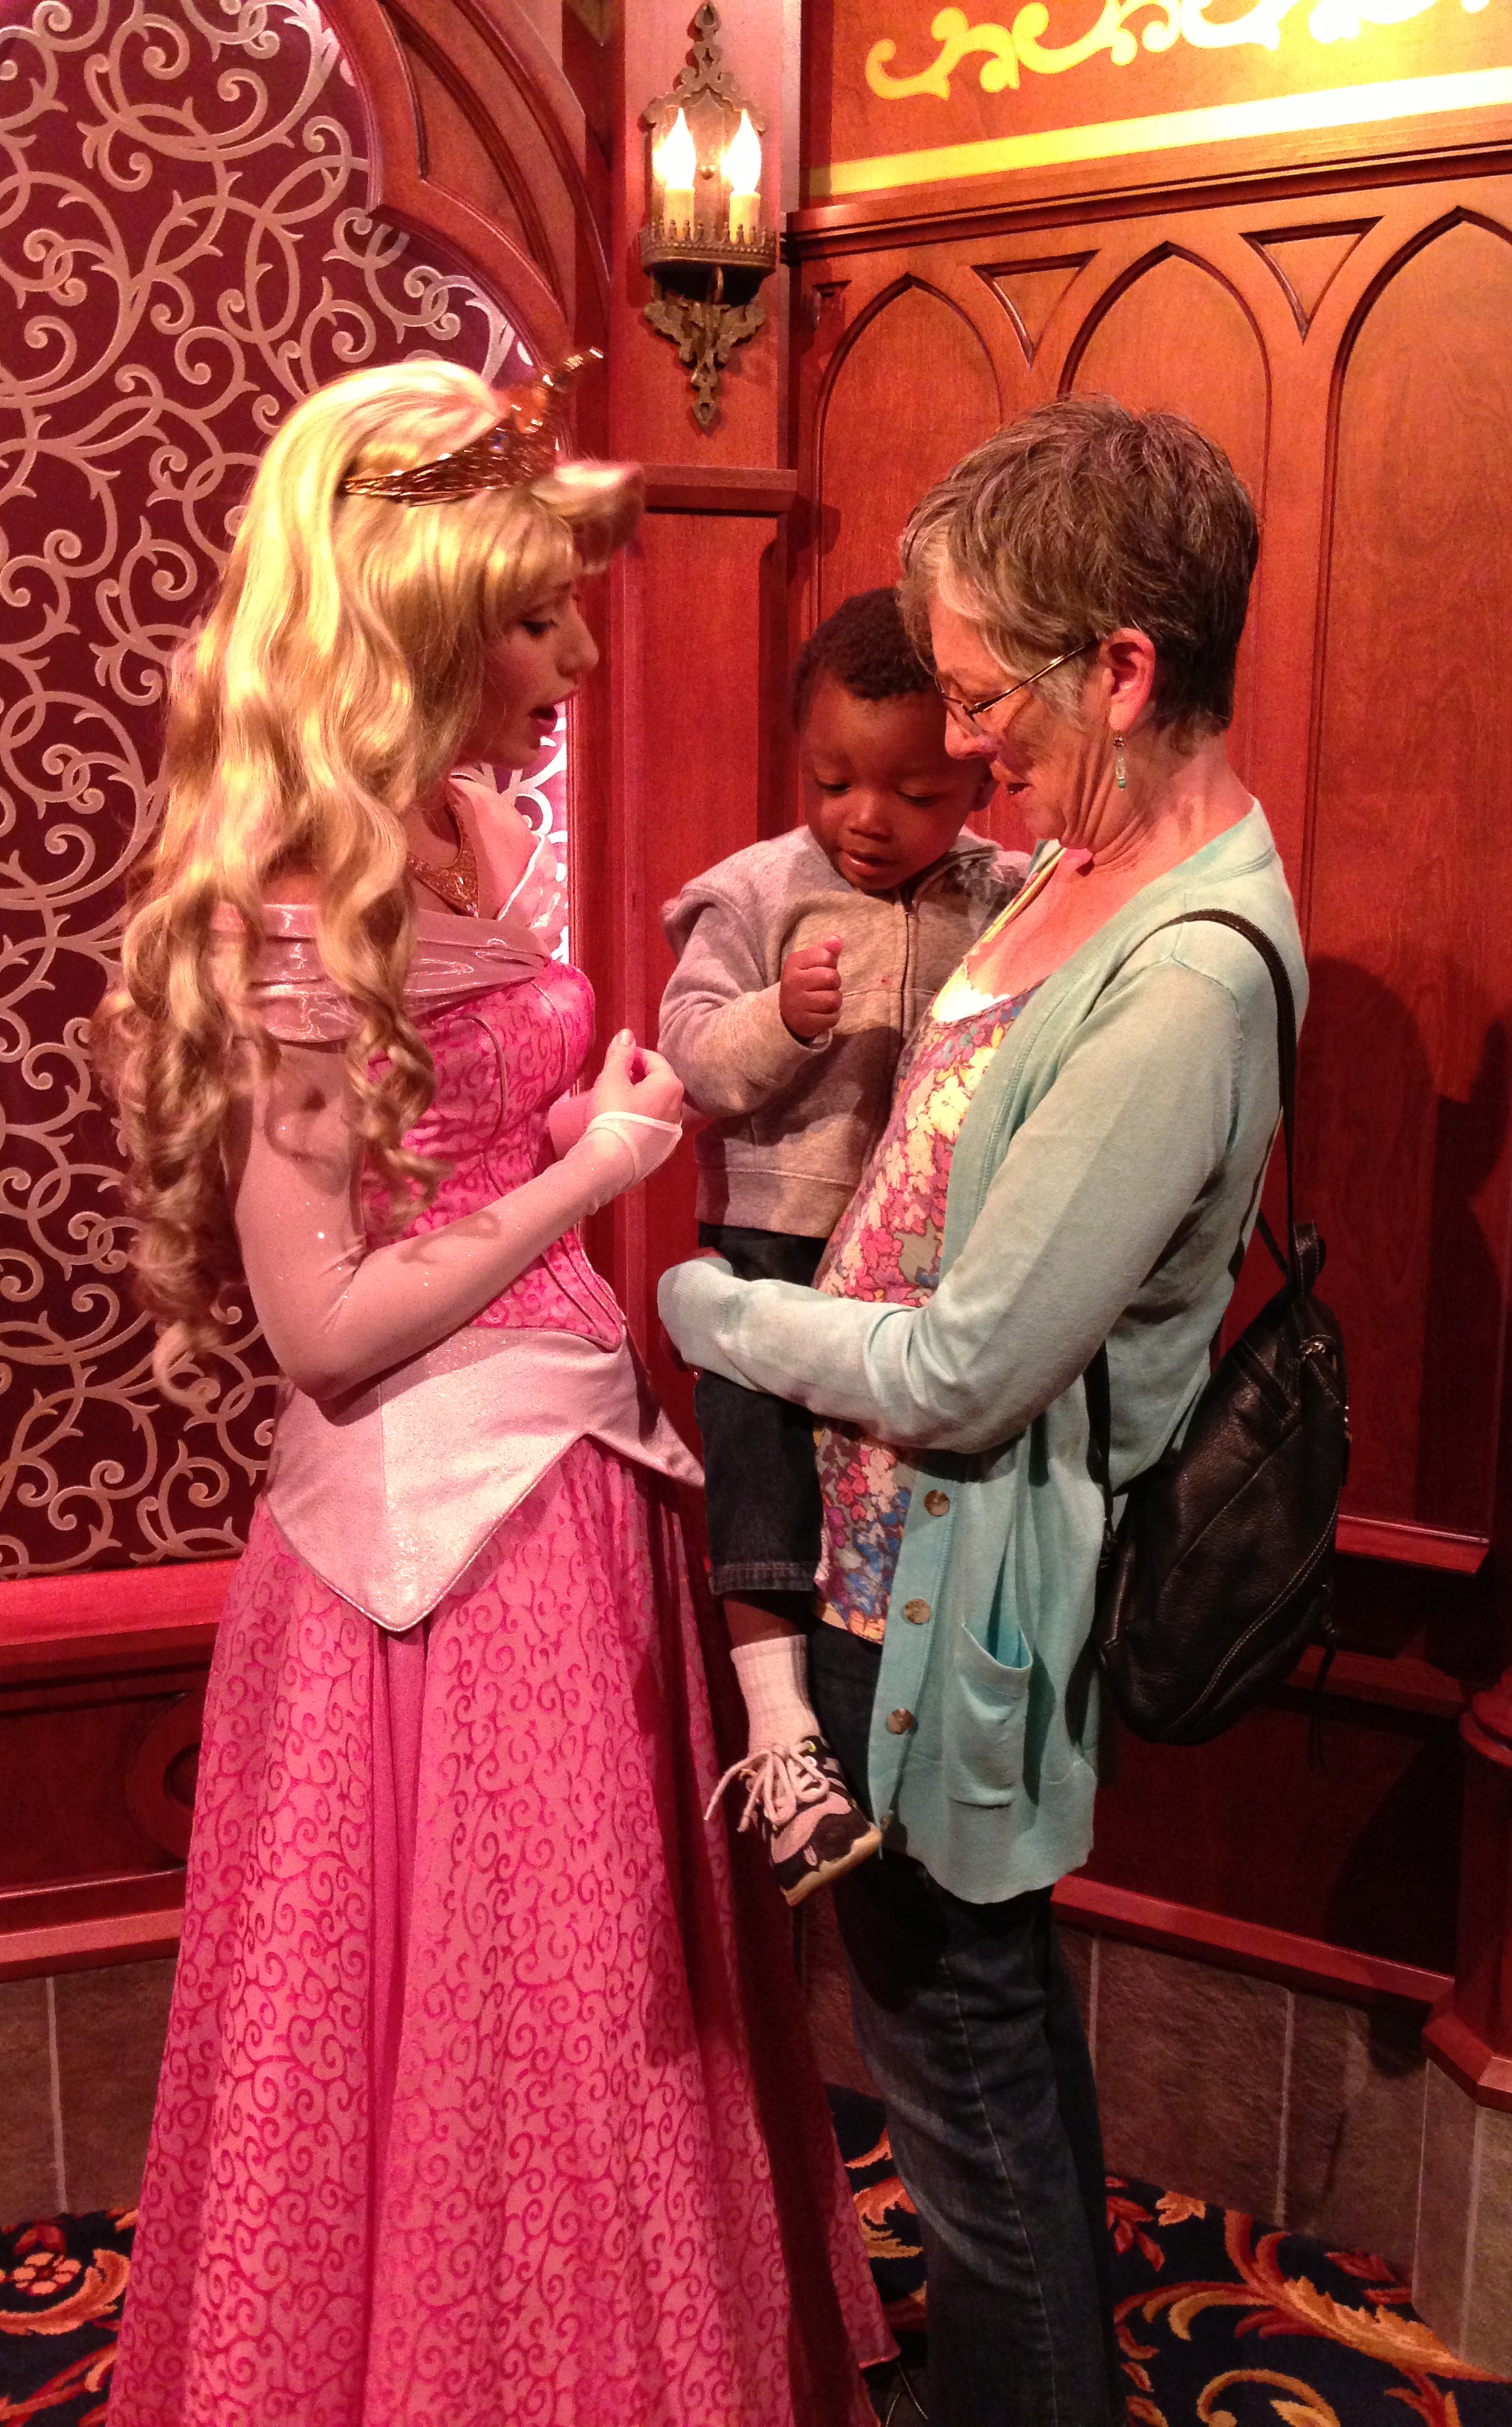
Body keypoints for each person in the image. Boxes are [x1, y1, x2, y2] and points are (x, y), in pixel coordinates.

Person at [98, 355, 883, 2427]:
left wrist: (567, 1135)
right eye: (536, 618)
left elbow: (455, 1148)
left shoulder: (467, 823)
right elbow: (323, 1327)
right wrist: (594, 1172)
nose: (576, 660)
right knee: (478, 2022)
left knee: (584, 2005)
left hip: (575, 1483)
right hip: (424, 1552)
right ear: (426, 618)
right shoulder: (296, 901)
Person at [659, 396, 1308, 2427]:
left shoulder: (1186, 980)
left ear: (1122, 667)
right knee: (975, 2040)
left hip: (947, 1589)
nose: (956, 745)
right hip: (883, 1556)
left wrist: (710, 1310)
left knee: (958, 2064)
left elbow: (969, 1371)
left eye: (979, 698)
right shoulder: (1075, 860)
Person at [657, 587, 1022, 1906]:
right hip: (775, 1228)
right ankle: (781, 1735)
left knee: (891, 1477)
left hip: (929, 1258)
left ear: (978, 774)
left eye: (914, 793)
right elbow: (693, 1057)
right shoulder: (756, 891)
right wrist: (780, 1018)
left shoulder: (1005, 893)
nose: (865, 818)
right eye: (831, 782)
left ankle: (908, 1707)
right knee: (757, 1457)